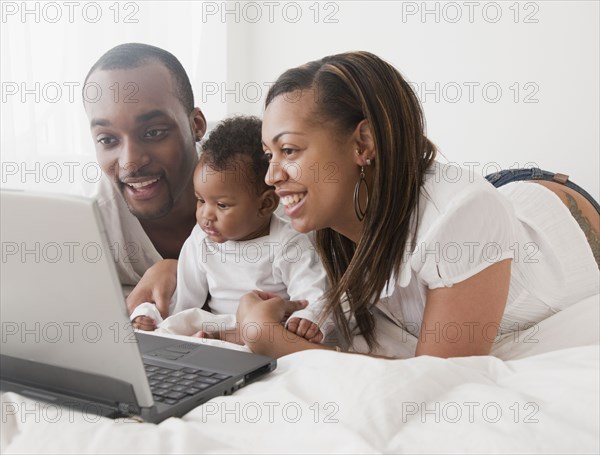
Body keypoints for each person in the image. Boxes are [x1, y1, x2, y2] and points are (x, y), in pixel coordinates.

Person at [132, 51, 599, 359]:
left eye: (289, 151)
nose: (273, 176)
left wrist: (265, 338)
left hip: (563, 218)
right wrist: (171, 266)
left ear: (363, 142)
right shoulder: (308, 206)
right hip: (448, 194)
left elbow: (438, 381)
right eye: (268, 156)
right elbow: (233, 234)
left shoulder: (461, 218)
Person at [130, 116, 328, 343]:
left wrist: (307, 319)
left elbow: (311, 297)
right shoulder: (201, 240)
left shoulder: (288, 243)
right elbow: (183, 302)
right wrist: (152, 314)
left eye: (222, 205)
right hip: (218, 330)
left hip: (267, 332)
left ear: (265, 205)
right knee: (178, 327)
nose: (206, 215)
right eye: (200, 200)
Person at [83, 43, 206, 308]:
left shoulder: (262, 177)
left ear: (196, 125)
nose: (130, 163)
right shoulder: (91, 227)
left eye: (153, 133)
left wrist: (182, 272)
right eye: (107, 139)